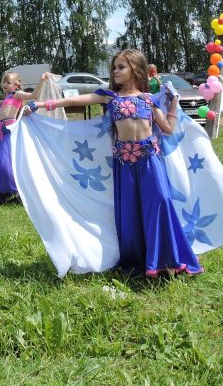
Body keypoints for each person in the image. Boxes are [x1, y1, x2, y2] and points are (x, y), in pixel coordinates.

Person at [24, 49, 203, 278]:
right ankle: (138, 261)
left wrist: (174, 104)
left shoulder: (148, 99)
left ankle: (167, 259)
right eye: (115, 67)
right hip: (125, 163)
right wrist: (39, 106)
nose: (115, 71)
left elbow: (167, 129)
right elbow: (71, 100)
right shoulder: (110, 96)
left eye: (121, 67)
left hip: (150, 161)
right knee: (129, 211)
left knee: (160, 203)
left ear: (135, 70)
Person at [0, 72, 36, 203]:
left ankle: (17, 191)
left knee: (2, 162)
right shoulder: (6, 97)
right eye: (4, 81)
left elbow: (33, 95)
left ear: (16, 85)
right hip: (1, 134)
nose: (5, 84)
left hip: (8, 132)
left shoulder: (17, 94)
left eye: (8, 82)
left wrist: (43, 81)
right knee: (3, 162)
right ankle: (2, 194)